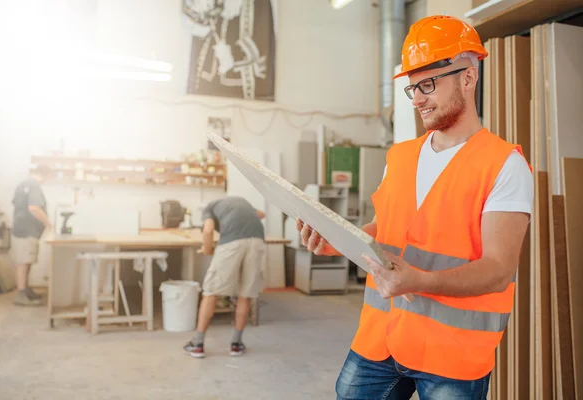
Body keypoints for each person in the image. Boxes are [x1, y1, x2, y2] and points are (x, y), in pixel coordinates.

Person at [297, 15, 534, 399]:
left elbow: (498, 270)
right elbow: (381, 229)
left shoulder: (504, 165)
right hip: (380, 341)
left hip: (451, 355)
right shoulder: (401, 156)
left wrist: (420, 281)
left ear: (468, 78)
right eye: (413, 88)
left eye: (427, 84)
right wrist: (336, 242)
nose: (418, 98)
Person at [184, 196, 266, 358]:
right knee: (245, 294)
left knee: (210, 291)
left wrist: (207, 250)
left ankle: (198, 344)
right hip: (257, 242)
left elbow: (208, 230)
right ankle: (236, 344)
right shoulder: (242, 202)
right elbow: (261, 214)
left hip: (232, 243)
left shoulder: (209, 207)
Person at [11, 164, 53, 306]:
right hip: (26, 230)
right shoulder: (33, 185)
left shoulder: (24, 184)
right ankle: (21, 294)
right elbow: (34, 208)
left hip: (23, 228)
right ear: (45, 175)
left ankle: (25, 290)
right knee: (24, 261)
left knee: (26, 260)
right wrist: (48, 223)